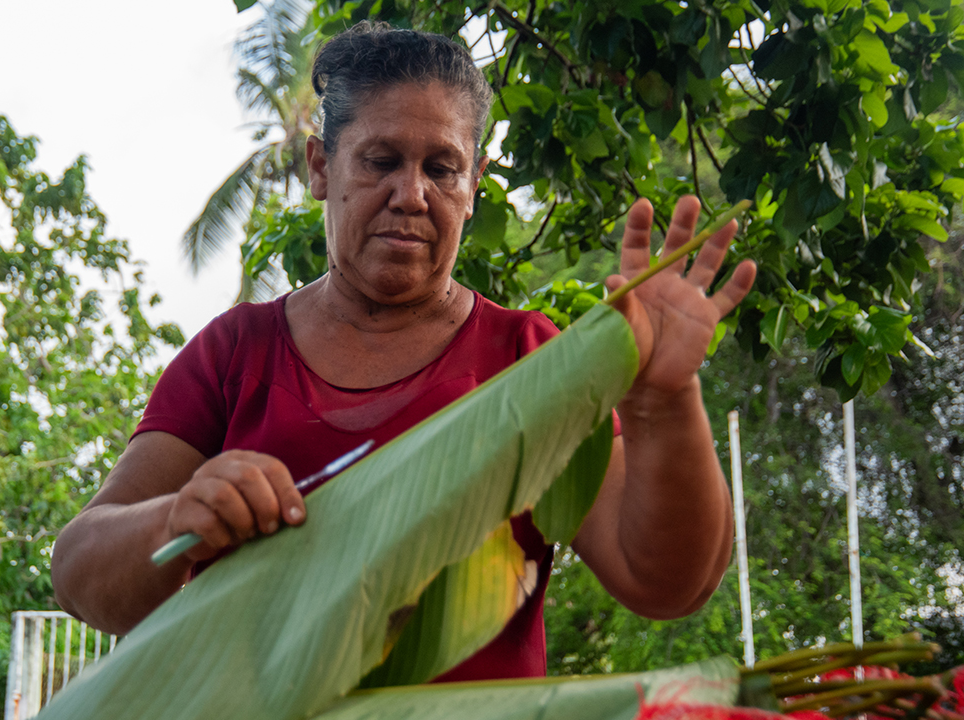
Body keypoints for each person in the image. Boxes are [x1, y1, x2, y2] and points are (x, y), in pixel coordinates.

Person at [51, 21, 757, 680]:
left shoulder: (530, 356)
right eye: (381, 160)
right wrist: (178, 518)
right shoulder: (234, 354)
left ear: (475, 184)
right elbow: (83, 576)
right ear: (321, 167)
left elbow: (667, 582)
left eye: (443, 169)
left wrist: (666, 399)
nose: (412, 195)